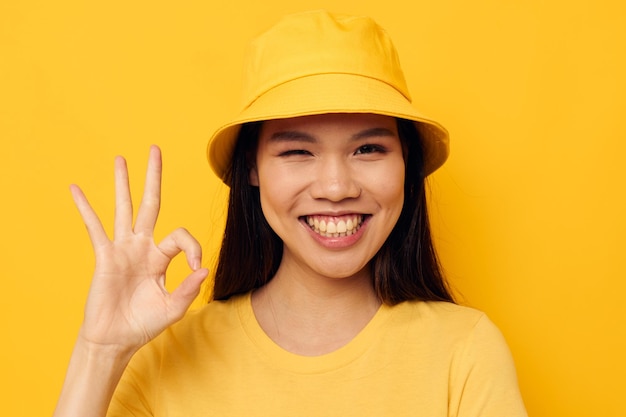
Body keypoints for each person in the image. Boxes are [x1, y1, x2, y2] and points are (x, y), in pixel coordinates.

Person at [54, 10, 527, 417]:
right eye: (298, 151)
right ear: (252, 169)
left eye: (368, 148)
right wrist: (100, 352)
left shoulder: (464, 352)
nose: (337, 188)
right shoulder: (168, 356)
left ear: (406, 164)